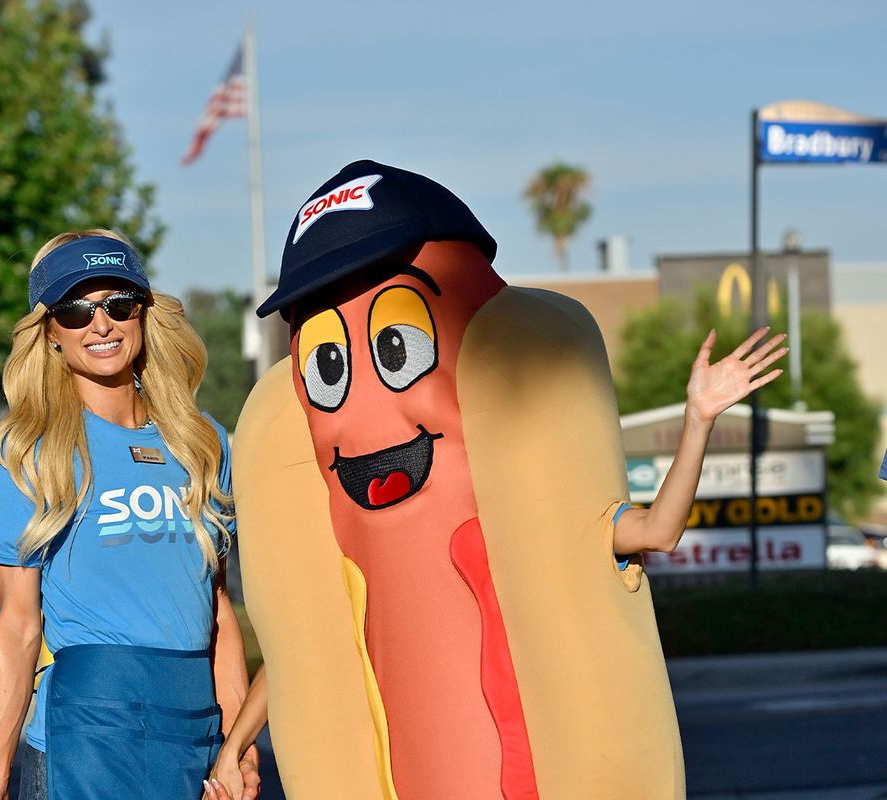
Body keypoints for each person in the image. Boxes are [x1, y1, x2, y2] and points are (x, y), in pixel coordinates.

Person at [228, 159, 787, 798]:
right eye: (328, 364)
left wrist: (698, 419)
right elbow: (300, 654)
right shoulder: (326, 516)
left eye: (398, 350)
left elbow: (656, 531)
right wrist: (237, 744)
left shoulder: (537, 504)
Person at [0, 229, 259, 800]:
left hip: (193, 725)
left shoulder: (205, 446)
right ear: (50, 331)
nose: (100, 324)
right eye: (76, 310)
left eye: (118, 304)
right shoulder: (27, 450)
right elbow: (18, 624)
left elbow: (219, 612)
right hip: (84, 732)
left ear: (144, 315)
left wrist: (238, 748)